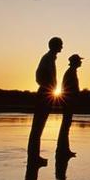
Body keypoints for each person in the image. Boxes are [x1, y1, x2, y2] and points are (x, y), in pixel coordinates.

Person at [26, 36, 62, 167]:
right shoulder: (47, 58)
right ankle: (33, 157)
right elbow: (39, 76)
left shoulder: (50, 58)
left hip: (47, 93)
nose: (62, 47)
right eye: (60, 44)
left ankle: (34, 156)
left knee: (38, 128)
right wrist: (48, 87)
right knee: (37, 128)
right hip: (44, 94)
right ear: (55, 46)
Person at [56, 54, 83, 159]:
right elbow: (69, 88)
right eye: (79, 60)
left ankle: (64, 149)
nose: (81, 62)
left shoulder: (71, 72)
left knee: (66, 126)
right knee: (65, 126)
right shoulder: (70, 72)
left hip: (68, 101)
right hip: (68, 102)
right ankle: (63, 150)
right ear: (75, 62)